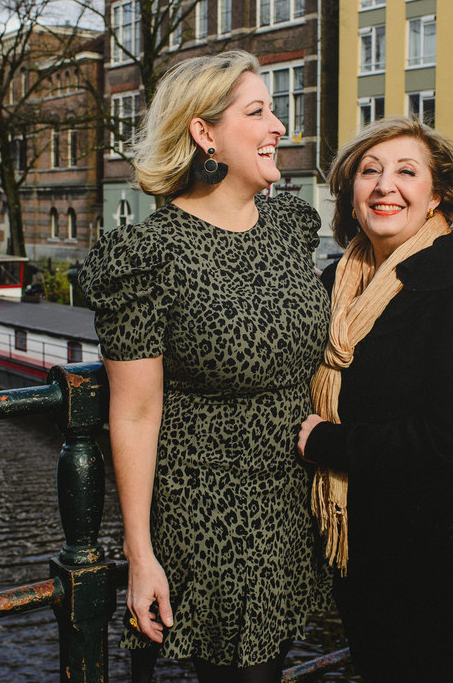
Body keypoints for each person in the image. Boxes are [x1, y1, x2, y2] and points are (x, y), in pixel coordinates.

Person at [79, 51, 330, 683]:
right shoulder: (147, 256)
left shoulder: (290, 225)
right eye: (258, 111)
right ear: (204, 132)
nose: (279, 126)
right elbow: (134, 413)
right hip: (212, 513)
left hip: (293, 499)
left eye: (274, 109)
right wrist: (140, 555)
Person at [297, 116, 453, 683]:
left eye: (406, 172)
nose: (385, 185)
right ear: (351, 193)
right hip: (354, 536)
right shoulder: (338, 279)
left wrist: (329, 442)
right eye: (370, 171)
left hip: (426, 543)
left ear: (436, 194)